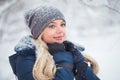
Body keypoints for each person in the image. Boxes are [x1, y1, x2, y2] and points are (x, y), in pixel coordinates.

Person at [9, 5, 100, 80]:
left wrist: (83, 69)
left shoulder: (72, 51)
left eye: (62, 24)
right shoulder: (26, 58)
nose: (60, 30)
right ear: (39, 32)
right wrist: (63, 62)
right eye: (52, 26)